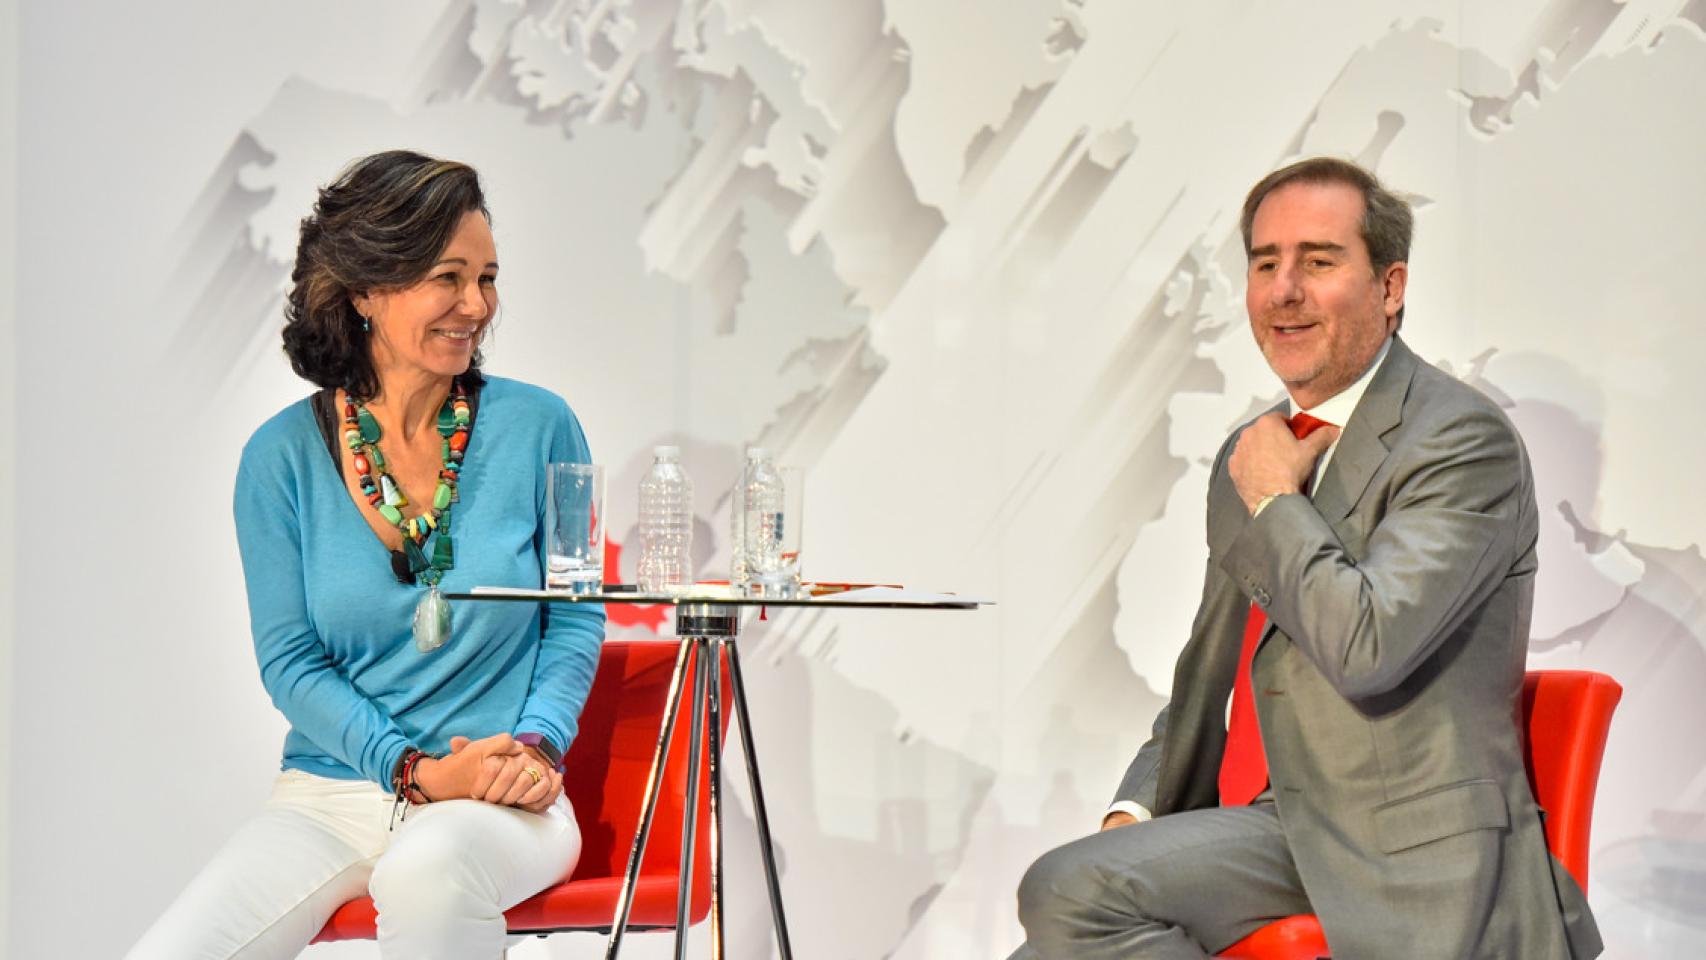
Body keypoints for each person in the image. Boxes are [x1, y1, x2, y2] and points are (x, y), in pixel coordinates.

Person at [1011, 157, 1602, 959]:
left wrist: (1275, 501)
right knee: (1055, 930)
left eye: (1318, 262)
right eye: (1265, 264)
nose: (1283, 291)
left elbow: (1368, 648)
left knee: (1064, 892)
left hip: (1410, 852)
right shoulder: (1256, 450)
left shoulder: (1461, 440)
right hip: (1279, 830)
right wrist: (1136, 810)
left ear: (1390, 287)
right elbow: (1209, 675)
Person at [127, 151, 606, 960]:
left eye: (487, 279)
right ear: (365, 291)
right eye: (448, 278)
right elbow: (291, 661)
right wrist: (410, 771)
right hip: (331, 796)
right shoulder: (277, 459)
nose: (476, 305)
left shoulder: (543, 427)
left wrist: (535, 749)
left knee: (427, 874)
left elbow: (575, 616)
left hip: (500, 799)